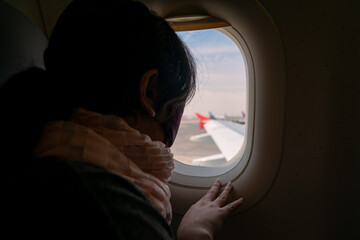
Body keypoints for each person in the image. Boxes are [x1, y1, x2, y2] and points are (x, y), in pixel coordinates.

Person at [1, 0, 243, 239]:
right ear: (149, 92)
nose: (166, 143)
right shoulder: (113, 210)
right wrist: (195, 234)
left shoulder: (33, 149)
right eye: (175, 106)